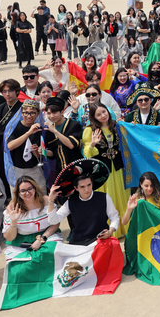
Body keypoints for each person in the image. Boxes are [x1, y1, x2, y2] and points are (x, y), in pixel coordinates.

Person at [82, 103, 129, 237]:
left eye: (104, 112)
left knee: (121, 197)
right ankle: (109, 231)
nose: (103, 116)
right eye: (98, 114)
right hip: (103, 171)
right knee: (108, 199)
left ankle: (124, 227)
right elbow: (87, 154)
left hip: (118, 169)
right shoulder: (90, 130)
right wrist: (92, 144)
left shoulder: (117, 125)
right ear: (94, 117)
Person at [48, 174, 121, 245]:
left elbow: (114, 217)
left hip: (101, 240)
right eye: (82, 186)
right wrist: (51, 200)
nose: (87, 189)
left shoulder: (104, 197)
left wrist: (110, 231)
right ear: (76, 188)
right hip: (79, 242)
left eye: (89, 185)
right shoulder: (71, 202)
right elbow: (53, 220)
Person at [2, 176, 62, 261]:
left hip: (47, 235)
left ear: (35, 189)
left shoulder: (46, 201)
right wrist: (14, 221)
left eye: (30, 189)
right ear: (18, 193)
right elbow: (9, 238)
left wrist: (42, 239)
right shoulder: (12, 208)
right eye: (23, 191)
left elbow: (55, 223)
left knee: (50, 255)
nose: (27, 193)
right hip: (21, 241)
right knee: (20, 268)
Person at [6, 99, 46, 192]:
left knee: (41, 195)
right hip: (17, 169)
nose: (29, 116)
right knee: (20, 196)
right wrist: (28, 133)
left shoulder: (40, 129)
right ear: (21, 113)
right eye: (26, 113)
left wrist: (36, 151)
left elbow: (39, 156)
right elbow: (10, 146)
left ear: (38, 113)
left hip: (35, 168)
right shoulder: (14, 127)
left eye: (32, 113)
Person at [43, 97, 83, 171]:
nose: (51, 116)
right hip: (60, 170)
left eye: (54, 112)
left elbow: (71, 145)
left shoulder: (74, 125)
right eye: (49, 113)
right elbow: (53, 153)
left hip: (77, 168)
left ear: (62, 112)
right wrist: (43, 151)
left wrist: (55, 131)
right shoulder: (49, 130)